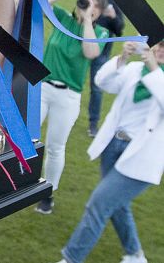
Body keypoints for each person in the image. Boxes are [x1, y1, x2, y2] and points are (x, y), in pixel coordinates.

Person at [55, 41, 163, 263]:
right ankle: (135, 255)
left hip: (141, 157)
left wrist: (154, 69)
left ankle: (71, 258)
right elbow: (102, 82)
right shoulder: (134, 70)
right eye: (158, 45)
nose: (160, 50)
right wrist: (122, 59)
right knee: (117, 204)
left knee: (99, 204)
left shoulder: (156, 77)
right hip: (113, 146)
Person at [36, 0, 111, 214]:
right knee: (27, 138)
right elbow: (42, 1)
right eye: (87, 1)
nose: (90, 8)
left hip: (68, 96)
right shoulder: (62, 19)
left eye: (96, 7)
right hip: (42, 88)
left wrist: (87, 20)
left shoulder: (99, 33)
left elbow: (90, 53)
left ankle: (47, 194)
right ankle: (15, 181)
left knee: (56, 147)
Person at [88, 0, 125, 137]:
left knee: (96, 88)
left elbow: (119, 30)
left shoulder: (113, 4)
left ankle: (93, 125)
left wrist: (114, 17)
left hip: (101, 53)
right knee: (67, 82)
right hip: (82, 47)